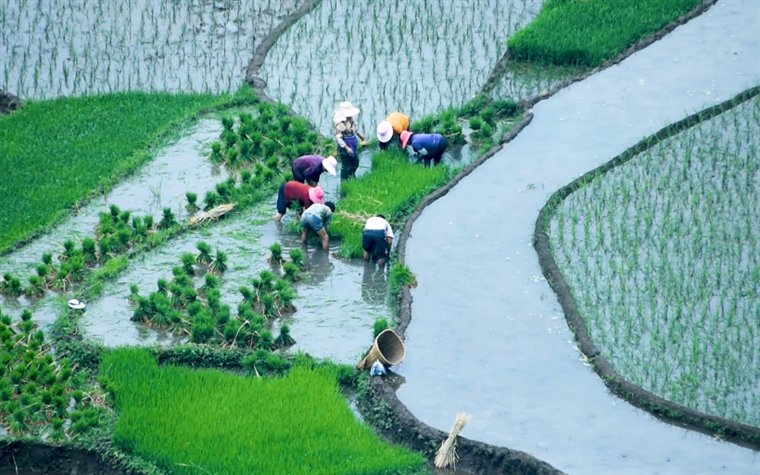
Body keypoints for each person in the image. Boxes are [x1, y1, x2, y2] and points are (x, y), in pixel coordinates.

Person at [334, 101, 368, 180]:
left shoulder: (350, 119)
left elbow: (355, 129)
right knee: (346, 166)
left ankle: (352, 175)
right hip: (345, 148)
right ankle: (344, 180)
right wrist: (347, 148)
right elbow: (339, 139)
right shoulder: (340, 124)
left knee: (355, 163)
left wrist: (361, 137)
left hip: (353, 145)